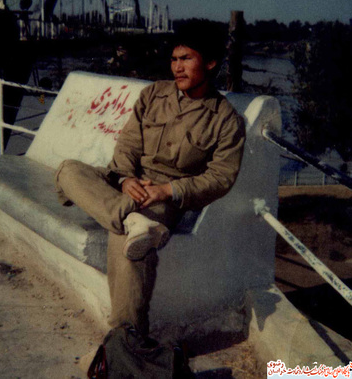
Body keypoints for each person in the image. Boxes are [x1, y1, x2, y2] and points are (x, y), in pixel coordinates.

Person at [55, 20, 246, 337]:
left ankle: (127, 336)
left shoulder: (226, 120)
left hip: (163, 200)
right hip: (129, 184)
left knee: (129, 245)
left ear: (211, 63)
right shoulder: (154, 94)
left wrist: (168, 190)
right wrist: (124, 179)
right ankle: (129, 217)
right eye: (174, 59)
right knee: (68, 170)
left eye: (186, 59)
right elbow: (128, 145)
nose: (177, 67)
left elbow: (221, 178)